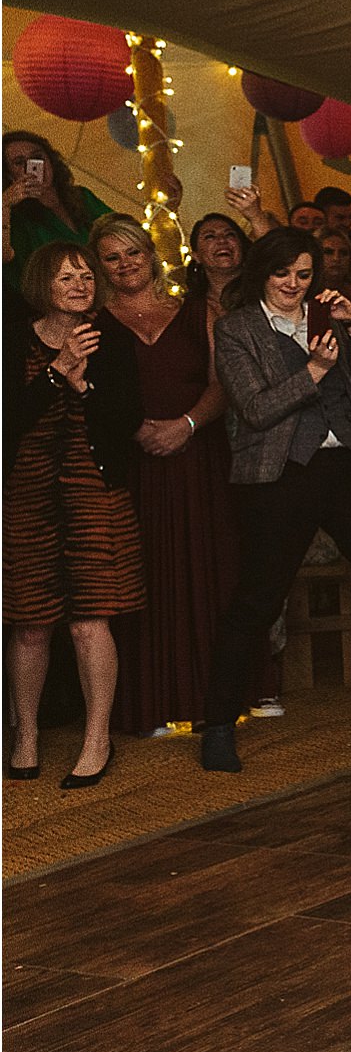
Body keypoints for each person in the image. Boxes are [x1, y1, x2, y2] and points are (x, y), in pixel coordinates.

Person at [197, 228, 351, 772]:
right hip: (281, 473)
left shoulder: (329, 313)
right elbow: (254, 408)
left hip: (349, 463)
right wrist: (312, 371)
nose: (293, 284)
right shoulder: (237, 328)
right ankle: (217, 725)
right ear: (263, 273)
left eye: (304, 274)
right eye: (283, 273)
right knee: (259, 597)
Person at [90, 215, 235, 739]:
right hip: (134, 468)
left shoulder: (201, 312)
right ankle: (151, 699)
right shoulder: (92, 321)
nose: (126, 264)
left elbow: (224, 385)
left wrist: (187, 424)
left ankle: (215, 702)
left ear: (152, 254)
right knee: (144, 578)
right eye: (112, 256)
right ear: (99, 265)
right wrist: (135, 432)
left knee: (207, 572)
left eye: (133, 252)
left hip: (200, 460)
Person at [5, 243, 143, 785]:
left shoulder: (112, 341)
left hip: (93, 489)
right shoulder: (12, 338)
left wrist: (87, 387)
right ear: (44, 283)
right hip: (26, 490)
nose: (81, 284)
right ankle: (25, 734)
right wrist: (59, 371)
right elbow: (6, 420)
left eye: (87, 276)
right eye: (68, 277)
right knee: (30, 623)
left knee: (91, 619)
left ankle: (97, 736)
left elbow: (126, 420)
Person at [4, 132, 118, 310]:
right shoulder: (16, 218)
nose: (32, 167)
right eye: (19, 162)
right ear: (9, 175)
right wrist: (5, 205)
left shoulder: (81, 196)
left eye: (37, 157)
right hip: (59, 308)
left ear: (50, 161)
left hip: (111, 293)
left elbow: (121, 232)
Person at [185, 212, 249, 311]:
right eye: (210, 236)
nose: (222, 240)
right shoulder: (190, 309)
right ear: (196, 256)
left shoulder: (265, 293)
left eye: (229, 234)